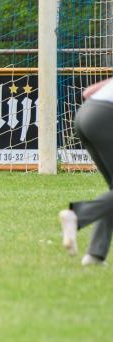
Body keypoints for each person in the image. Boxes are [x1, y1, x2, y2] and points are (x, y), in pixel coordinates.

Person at [59, 77, 113, 266]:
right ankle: (78, 216)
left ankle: (95, 255)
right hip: (105, 117)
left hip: (85, 114)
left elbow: (88, 92)